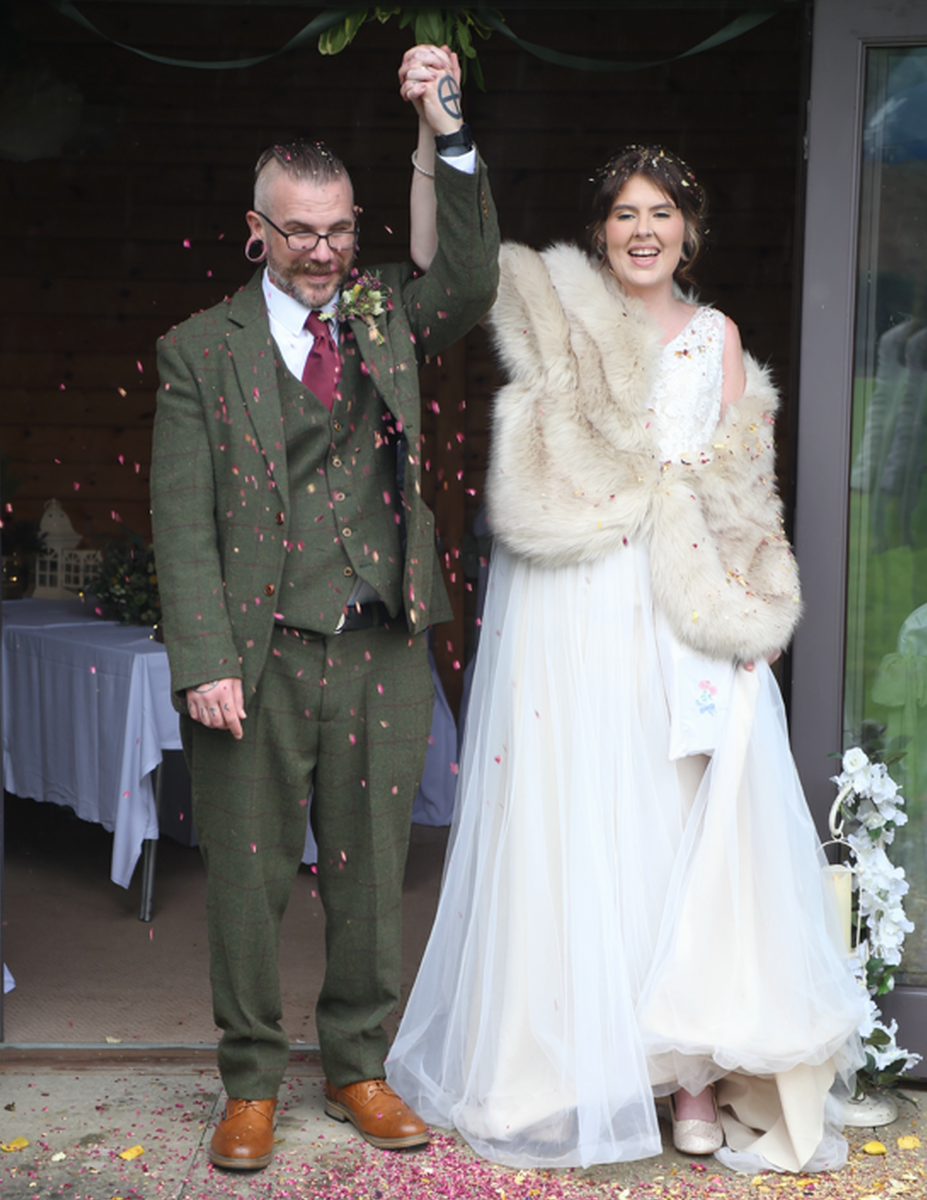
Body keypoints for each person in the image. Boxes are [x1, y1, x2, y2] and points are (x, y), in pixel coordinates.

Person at [385, 131, 866, 1172]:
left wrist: (749, 620)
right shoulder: (553, 307)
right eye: (623, 214)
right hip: (569, 604)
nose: (642, 231)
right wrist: (434, 143)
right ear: (598, 231)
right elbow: (443, 266)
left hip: (674, 604)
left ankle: (686, 1075)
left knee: (677, 819)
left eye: (661, 213)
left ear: (688, 230)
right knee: (574, 819)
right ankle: (568, 1065)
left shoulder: (717, 337)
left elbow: (745, 494)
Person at [150, 46, 499, 1171]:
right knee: (250, 879)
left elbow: (475, 278)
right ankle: (249, 1082)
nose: (322, 251)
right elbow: (181, 519)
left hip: (379, 642)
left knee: (370, 869)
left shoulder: (385, 313)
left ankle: (357, 1064)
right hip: (255, 653)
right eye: (299, 231)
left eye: (340, 228)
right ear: (257, 228)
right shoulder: (199, 352)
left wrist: (446, 132)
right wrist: (202, 657)